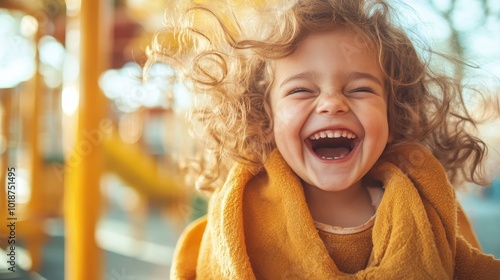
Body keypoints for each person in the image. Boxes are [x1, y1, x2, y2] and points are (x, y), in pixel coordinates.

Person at [146, 0, 500, 278]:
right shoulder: (239, 218)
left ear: (395, 114)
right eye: (301, 90)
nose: (332, 103)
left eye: (361, 88)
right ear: (263, 117)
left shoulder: (430, 209)